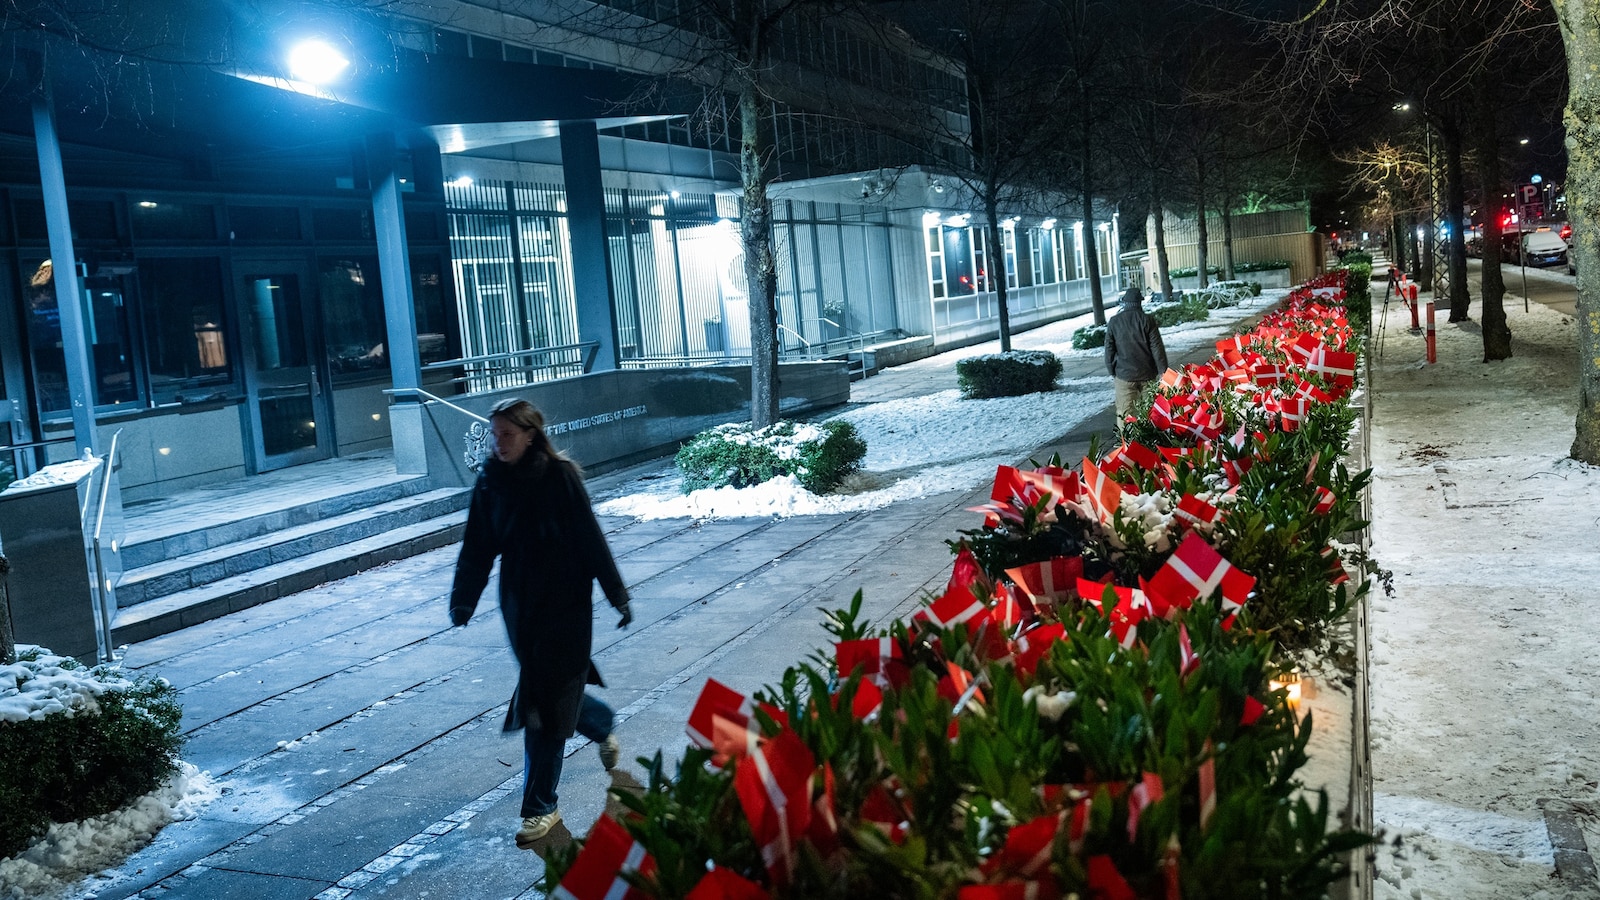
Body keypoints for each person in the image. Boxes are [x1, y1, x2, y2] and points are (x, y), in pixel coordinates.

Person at [449, 398, 634, 848]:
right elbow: (477, 546)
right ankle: (600, 721)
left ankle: (541, 809)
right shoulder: (490, 482)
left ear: (531, 434)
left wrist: (617, 595)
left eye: (507, 434)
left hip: (567, 603)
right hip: (521, 606)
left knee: (544, 704)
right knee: (552, 693)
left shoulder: (560, 477)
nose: (499, 443)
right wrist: (463, 601)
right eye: (494, 434)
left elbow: (591, 538)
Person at [1104, 287, 1170, 418]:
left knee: (1125, 413)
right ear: (1139, 302)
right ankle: (1150, 437)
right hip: (1147, 373)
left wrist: (1112, 370)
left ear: (1125, 303)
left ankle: (1126, 438)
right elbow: (1157, 347)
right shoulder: (1147, 320)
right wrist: (1163, 370)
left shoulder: (1114, 321)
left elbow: (1109, 349)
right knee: (1151, 411)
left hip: (1124, 374)